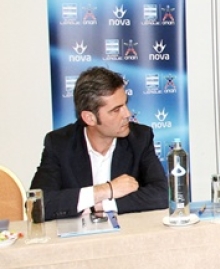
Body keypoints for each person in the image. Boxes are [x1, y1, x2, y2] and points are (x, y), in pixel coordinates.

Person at [31, 67, 168, 221]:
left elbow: (162, 194)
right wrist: (106, 190)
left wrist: (102, 205)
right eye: (116, 110)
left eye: (125, 104)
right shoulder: (59, 144)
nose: (127, 114)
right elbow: (37, 205)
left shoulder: (140, 138)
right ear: (90, 118)